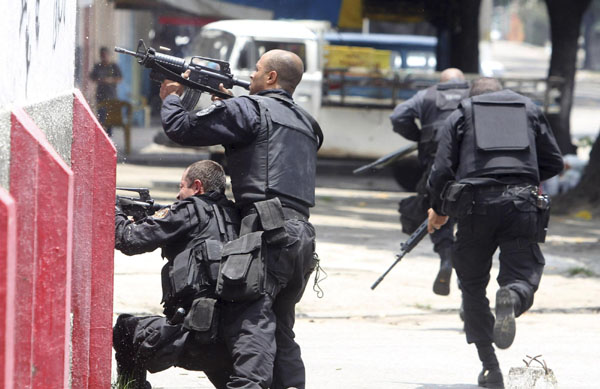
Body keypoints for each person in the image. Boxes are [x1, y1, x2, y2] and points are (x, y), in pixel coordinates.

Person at [159, 49, 321, 389]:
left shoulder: (249, 108)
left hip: (265, 232)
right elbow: (268, 148)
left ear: (272, 77)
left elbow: (181, 128)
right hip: (301, 236)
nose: (250, 76)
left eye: (257, 70)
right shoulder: (306, 122)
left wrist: (172, 97)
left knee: (252, 321)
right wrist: (226, 103)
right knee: (280, 325)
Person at [426, 77, 564, 388]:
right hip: (522, 204)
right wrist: (523, 176)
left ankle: (491, 368)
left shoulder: (461, 113)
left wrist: (440, 209)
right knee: (522, 273)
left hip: (476, 207)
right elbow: (555, 161)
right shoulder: (529, 109)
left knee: (472, 286)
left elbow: (442, 170)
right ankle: (512, 298)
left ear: (473, 96)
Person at [113, 160, 240, 389]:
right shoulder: (233, 215)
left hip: (191, 338)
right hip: (231, 342)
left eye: (182, 187)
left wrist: (114, 211)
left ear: (198, 186)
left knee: (124, 329)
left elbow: (128, 239)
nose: (178, 195)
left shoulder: (190, 209)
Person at [390, 68, 470, 295]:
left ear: (442, 82)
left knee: (436, 210)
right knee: (469, 224)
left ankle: (446, 257)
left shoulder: (427, 95)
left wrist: (420, 136)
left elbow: (398, 117)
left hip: (436, 168)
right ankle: (467, 286)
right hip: (471, 170)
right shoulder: (475, 95)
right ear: (463, 81)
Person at [90, 46, 122, 135]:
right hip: (100, 95)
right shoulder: (98, 66)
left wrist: (110, 80)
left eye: (105, 55)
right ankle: (102, 134)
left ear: (108, 55)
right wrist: (100, 80)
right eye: (102, 55)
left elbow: (120, 78)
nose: (104, 57)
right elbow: (92, 77)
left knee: (110, 119)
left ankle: (109, 135)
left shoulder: (113, 66)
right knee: (101, 117)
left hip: (111, 95)